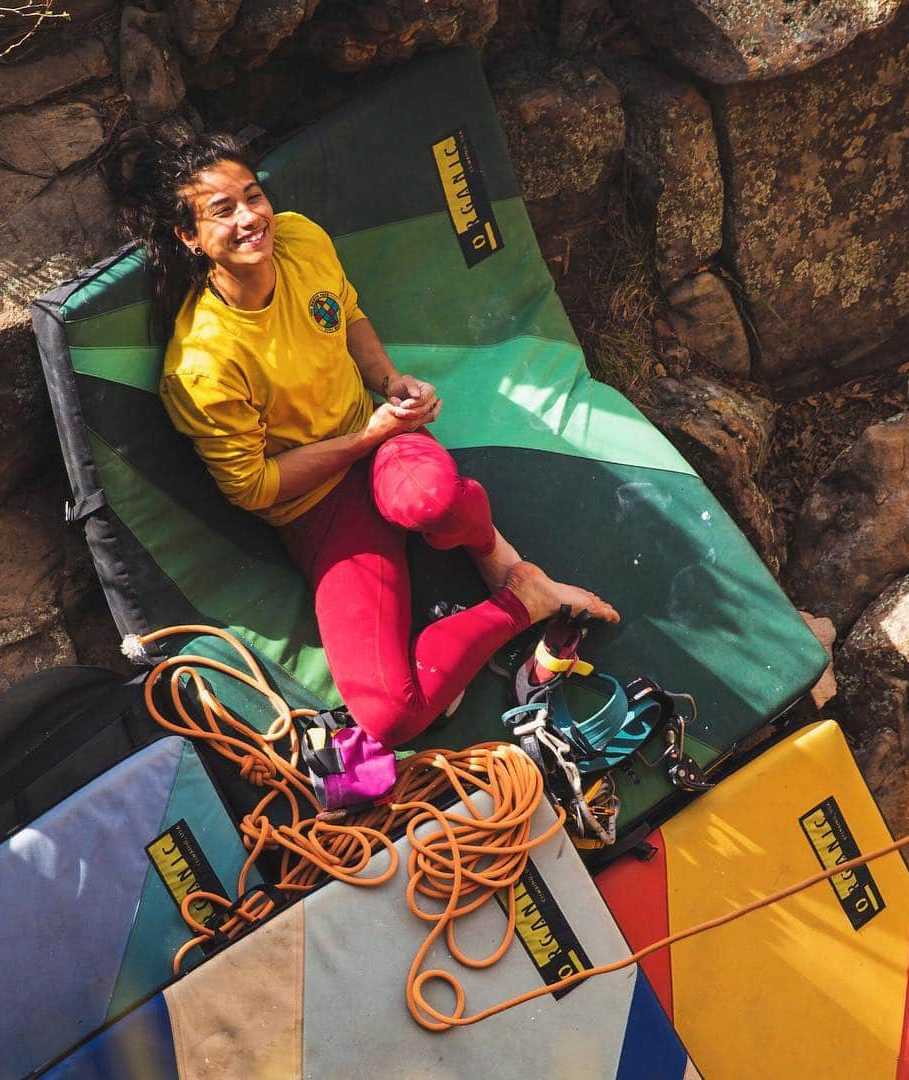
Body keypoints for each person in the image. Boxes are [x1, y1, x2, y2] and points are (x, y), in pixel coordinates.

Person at [122, 134, 619, 748]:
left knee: (432, 503)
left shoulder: (300, 238)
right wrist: (365, 437)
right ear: (190, 239)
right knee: (391, 716)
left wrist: (391, 383)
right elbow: (254, 488)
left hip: (380, 443)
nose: (251, 216)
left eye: (253, 196)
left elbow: (346, 312)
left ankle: (493, 553)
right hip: (316, 504)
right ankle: (525, 598)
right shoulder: (201, 364)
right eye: (222, 211)